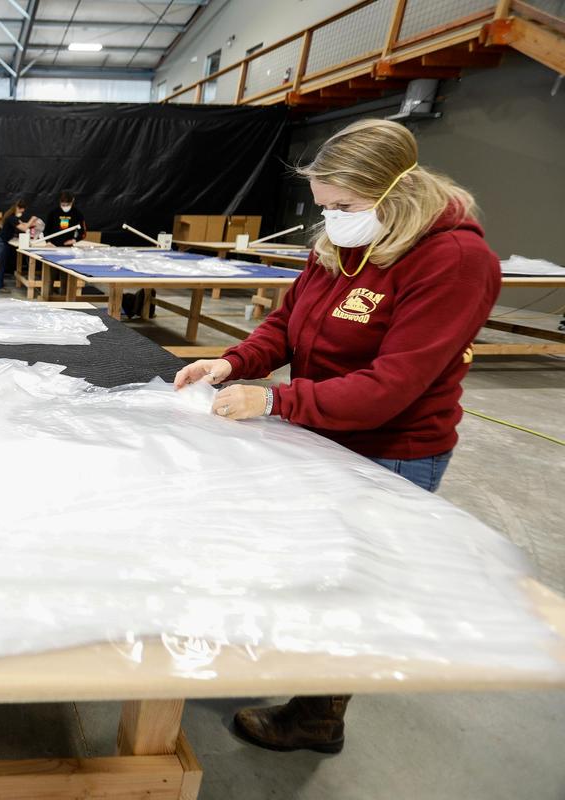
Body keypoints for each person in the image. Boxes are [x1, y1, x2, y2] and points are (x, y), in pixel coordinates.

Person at [173, 118, 501, 754]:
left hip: (392, 451)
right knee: (311, 566)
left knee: (352, 585)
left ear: (396, 196)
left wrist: (276, 398)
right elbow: (287, 324)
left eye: (344, 207)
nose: (333, 220)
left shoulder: (455, 261)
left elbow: (391, 386)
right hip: (322, 431)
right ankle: (292, 663)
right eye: (324, 207)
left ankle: (318, 717)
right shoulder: (342, 246)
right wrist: (232, 363)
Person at [0, 198, 39, 291]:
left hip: (0, 239)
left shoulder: (13, 217)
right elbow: (23, 228)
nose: (23, 211)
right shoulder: (12, 218)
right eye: (23, 209)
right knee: (2, 263)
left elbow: (23, 225)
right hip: (2, 241)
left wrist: (29, 224)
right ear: (19, 208)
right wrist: (32, 220)